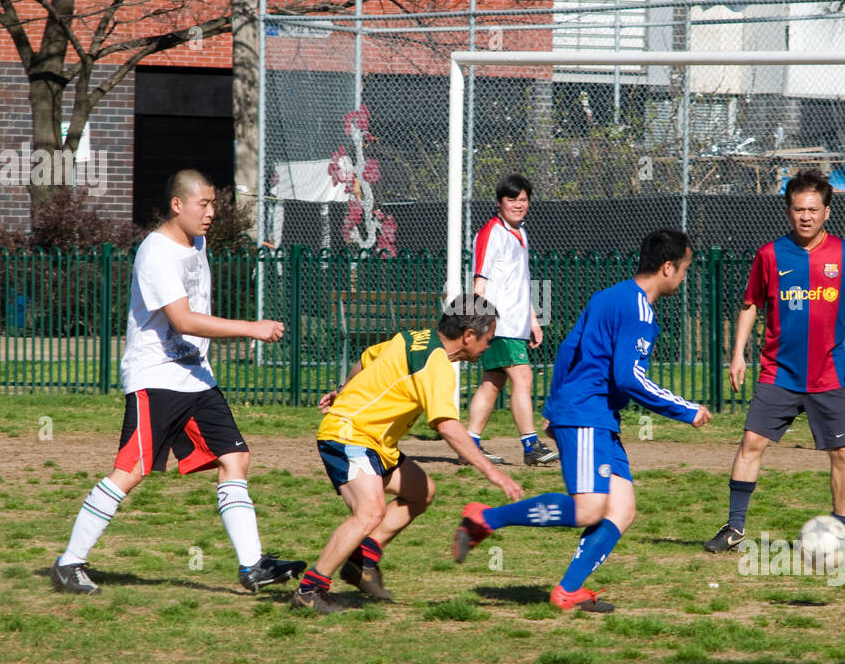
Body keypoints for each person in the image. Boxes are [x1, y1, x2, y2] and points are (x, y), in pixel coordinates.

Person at [51, 170, 305, 596]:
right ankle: (69, 562)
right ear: (176, 205)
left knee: (235, 460)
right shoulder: (156, 253)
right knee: (130, 471)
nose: (210, 214)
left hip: (195, 378)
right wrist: (251, 328)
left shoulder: (198, 243)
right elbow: (183, 320)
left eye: (213, 205)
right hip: (157, 378)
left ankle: (252, 565)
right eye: (202, 205)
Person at [452, 229, 712, 613]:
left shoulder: (608, 296)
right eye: (685, 269)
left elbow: (570, 349)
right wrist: (686, 409)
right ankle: (485, 518)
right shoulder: (638, 308)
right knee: (590, 508)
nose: (685, 277)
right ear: (668, 267)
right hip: (588, 412)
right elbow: (629, 377)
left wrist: (552, 407)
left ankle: (568, 590)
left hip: (594, 415)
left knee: (622, 510)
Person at [294, 293, 524, 614]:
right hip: (351, 434)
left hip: (375, 441)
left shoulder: (414, 336)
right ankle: (310, 589)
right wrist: (493, 472)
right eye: (489, 338)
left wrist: (344, 391)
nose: (490, 345)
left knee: (422, 491)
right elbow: (447, 426)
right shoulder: (438, 365)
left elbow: (368, 358)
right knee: (370, 512)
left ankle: (362, 562)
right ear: (469, 335)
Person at [703, 169, 845, 558]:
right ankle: (734, 529)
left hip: (830, 372)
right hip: (778, 373)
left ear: (827, 212)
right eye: (799, 209)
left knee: (843, 454)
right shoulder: (770, 254)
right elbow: (750, 304)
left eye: (813, 209)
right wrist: (738, 353)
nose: (806, 216)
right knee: (751, 442)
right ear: (788, 211)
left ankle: (843, 534)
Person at [464, 174, 559, 467]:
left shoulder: (521, 233)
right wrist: (476, 324)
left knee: (492, 383)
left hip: (515, 325)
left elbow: (522, 282)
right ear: (498, 203)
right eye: (512, 199)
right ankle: (531, 446)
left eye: (523, 199)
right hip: (497, 324)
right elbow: (480, 280)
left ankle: (469, 446)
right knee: (523, 377)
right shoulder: (491, 232)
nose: (518, 205)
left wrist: (532, 320)